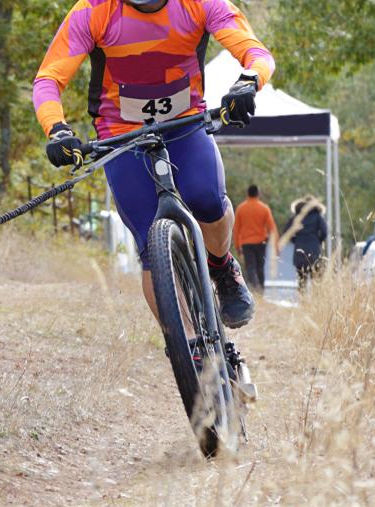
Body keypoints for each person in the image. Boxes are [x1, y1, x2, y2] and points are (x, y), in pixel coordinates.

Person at [33, 0, 275, 329]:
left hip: (185, 123)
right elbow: (49, 78)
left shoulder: (200, 4)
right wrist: (57, 129)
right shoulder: (93, 10)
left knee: (207, 200)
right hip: (120, 133)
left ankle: (221, 266)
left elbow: (256, 52)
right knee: (150, 244)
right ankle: (189, 347)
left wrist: (249, 82)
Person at [233, 184, 279, 293]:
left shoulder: (241, 208)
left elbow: (236, 230)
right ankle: (262, 289)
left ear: (247, 194)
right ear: (258, 194)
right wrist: (276, 246)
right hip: (261, 242)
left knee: (251, 267)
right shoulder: (264, 208)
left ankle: (255, 287)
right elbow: (272, 229)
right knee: (261, 267)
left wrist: (238, 246)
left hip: (246, 243)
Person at [281, 195, 327, 288]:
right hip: (314, 251)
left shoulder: (297, 217)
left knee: (301, 280)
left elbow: (286, 231)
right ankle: (316, 300)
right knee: (316, 279)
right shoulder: (318, 217)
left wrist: (295, 240)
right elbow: (324, 231)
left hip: (299, 251)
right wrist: (318, 241)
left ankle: (302, 300)